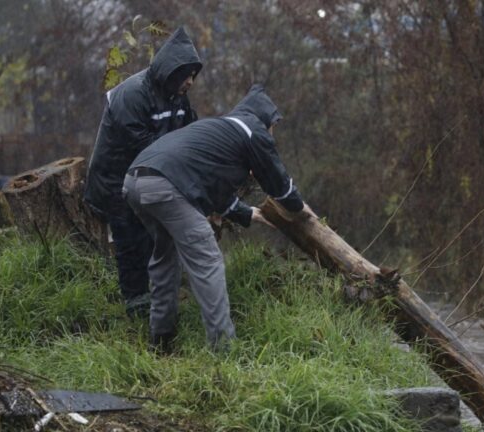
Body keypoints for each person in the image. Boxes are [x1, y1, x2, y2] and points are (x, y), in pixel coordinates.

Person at [123, 84, 313, 353]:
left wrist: (249, 213)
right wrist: (299, 210)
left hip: (135, 181)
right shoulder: (252, 130)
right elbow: (278, 183)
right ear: (266, 120)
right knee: (207, 260)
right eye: (273, 128)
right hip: (165, 184)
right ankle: (224, 348)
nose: (272, 135)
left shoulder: (218, 131)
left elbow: (212, 189)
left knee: (165, 257)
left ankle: (161, 341)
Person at [84, 28, 203, 318]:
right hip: (116, 179)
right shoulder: (131, 95)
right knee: (130, 242)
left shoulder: (177, 96)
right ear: (170, 70)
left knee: (152, 238)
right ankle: (135, 306)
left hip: (149, 178)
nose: (190, 81)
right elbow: (145, 148)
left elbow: (189, 133)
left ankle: (156, 299)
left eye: (193, 75)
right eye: (186, 74)